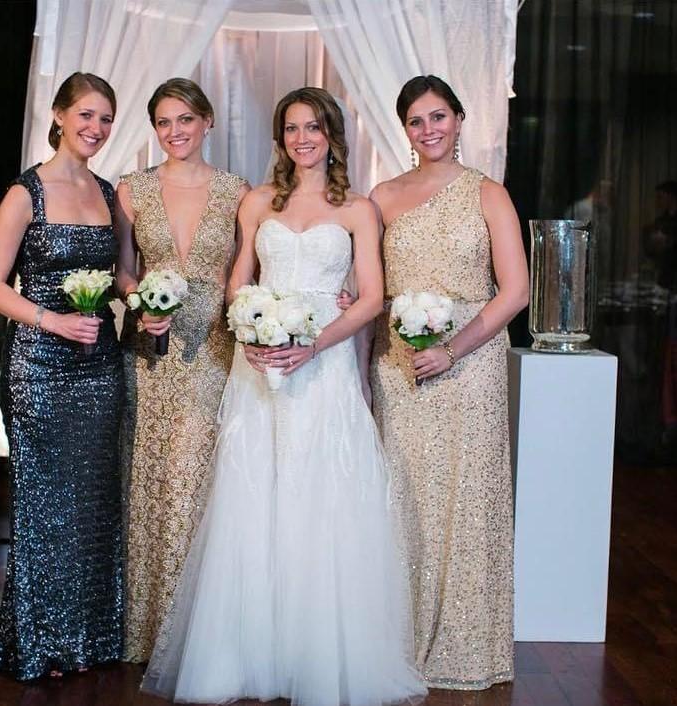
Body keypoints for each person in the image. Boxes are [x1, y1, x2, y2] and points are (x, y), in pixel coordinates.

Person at [141, 87, 426, 706]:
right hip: (259, 365)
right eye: (292, 128)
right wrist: (248, 332)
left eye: (313, 127)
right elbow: (237, 281)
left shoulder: (357, 210)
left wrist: (314, 344)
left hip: (324, 365)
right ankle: (249, 655)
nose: (303, 139)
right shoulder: (257, 203)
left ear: (332, 135)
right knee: (256, 495)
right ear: (281, 139)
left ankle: (313, 655)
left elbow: (371, 298)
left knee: (319, 494)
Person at [359, 75, 528, 689]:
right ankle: (396, 643)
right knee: (402, 499)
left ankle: (464, 646)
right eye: (416, 120)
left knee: (466, 500)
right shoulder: (382, 197)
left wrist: (453, 349)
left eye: (438, 117)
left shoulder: (488, 194)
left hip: (471, 367)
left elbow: (515, 292)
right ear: (404, 129)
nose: (428, 129)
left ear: (458, 119)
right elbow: (367, 289)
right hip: (399, 366)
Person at [0, 72, 124, 680]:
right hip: (39, 365)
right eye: (86, 115)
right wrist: (51, 320)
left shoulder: (108, 193)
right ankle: (41, 642)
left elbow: (120, 277)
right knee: (44, 504)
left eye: (106, 118)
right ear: (59, 116)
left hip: (100, 364)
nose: (96, 128)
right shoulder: (25, 193)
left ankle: (89, 636)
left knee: (92, 503)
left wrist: (155, 301)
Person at [114, 77, 249, 663]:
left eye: (186, 119)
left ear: (208, 121)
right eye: (164, 122)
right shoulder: (132, 189)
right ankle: (145, 631)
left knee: (196, 478)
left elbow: (246, 271)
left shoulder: (237, 192)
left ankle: (194, 634)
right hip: (148, 351)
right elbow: (123, 269)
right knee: (146, 478)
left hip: (212, 351)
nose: (175, 131)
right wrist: (140, 301)